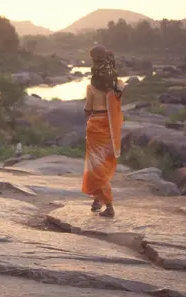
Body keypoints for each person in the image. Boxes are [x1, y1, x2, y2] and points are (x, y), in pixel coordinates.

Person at [82, 45, 125, 218]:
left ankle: (109, 206)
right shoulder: (118, 85)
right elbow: (116, 105)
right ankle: (97, 200)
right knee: (104, 165)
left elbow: (88, 109)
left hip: (95, 127)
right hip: (111, 130)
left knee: (95, 166)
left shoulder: (91, 87)